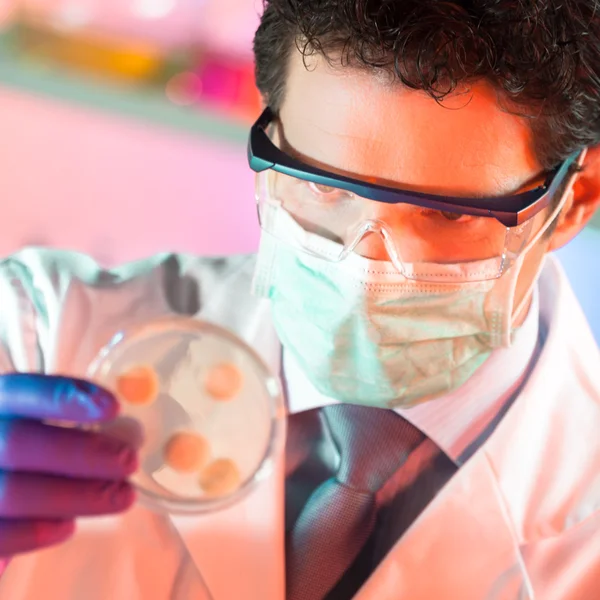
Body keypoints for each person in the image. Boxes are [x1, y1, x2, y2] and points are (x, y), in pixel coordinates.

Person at [0, 1, 599, 598]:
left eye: (447, 212)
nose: (367, 270)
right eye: (319, 183)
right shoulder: (39, 336)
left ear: (576, 199)